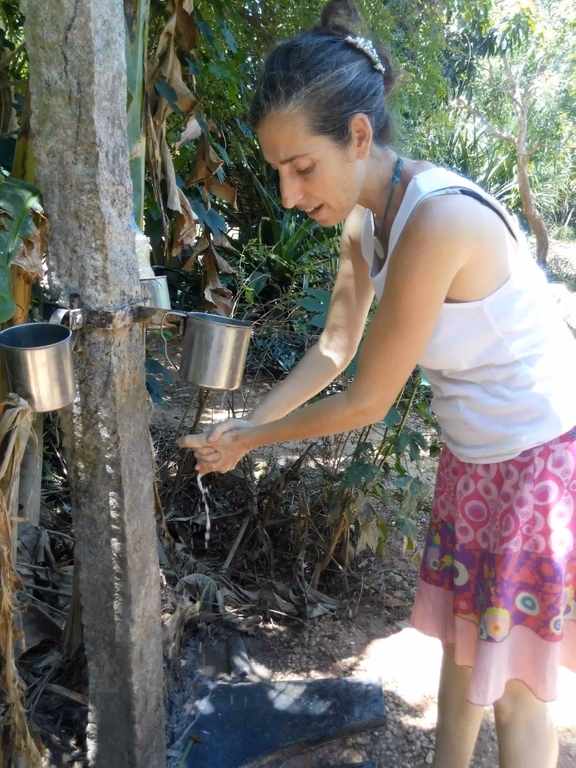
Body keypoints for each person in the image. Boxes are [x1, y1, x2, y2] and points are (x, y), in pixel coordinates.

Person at [179, 2, 576, 766]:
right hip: (478, 456)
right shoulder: (370, 220)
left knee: (522, 691)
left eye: (303, 168)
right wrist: (243, 426)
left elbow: (366, 399)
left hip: (543, 459)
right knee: (464, 651)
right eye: (279, 173)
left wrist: (255, 442)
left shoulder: (436, 222)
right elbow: (333, 348)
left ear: (359, 136)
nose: (291, 194)